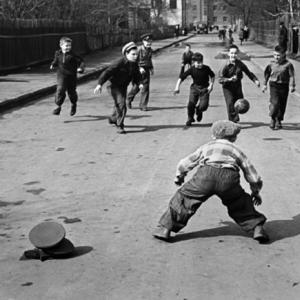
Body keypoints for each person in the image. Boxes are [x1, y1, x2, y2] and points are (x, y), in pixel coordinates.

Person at [152, 120, 269, 243]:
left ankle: (165, 229)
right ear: (234, 138)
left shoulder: (206, 146)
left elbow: (185, 163)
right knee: (239, 202)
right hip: (228, 180)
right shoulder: (236, 150)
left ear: (213, 136)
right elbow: (251, 172)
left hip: (205, 176)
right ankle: (257, 228)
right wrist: (255, 191)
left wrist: (179, 176)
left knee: (185, 198)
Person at [93, 42, 142, 134]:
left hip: (123, 86)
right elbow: (107, 72)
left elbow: (137, 76)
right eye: (133, 54)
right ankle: (120, 125)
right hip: (113, 86)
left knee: (119, 103)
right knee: (122, 104)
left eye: (137, 54)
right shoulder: (119, 63)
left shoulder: (135, 64)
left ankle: (113, 118)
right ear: (126, 54)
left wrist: (139, 83)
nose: (136, 56)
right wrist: (99, 84)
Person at [218, 44, 260, 123]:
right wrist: (229, 79)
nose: (233, 55)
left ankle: (235, 116)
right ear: (228, 54)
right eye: (232, 53)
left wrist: (255, 80)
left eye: (235, 53)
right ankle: (233, 121)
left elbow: (248, 72)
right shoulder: (225, 65)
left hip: (237, 86)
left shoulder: (240, 64)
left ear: (237, 54)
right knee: (230, 102)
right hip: (227, 87)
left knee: (239, 103)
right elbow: (220, 79)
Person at [174, 52, 215, 126]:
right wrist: (177, 87)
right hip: (195, 88)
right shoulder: (192, 69)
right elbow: (181, 77)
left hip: (205, 88)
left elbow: (212, 76)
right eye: (197, 63)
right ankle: (190, 118)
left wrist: (211, 85)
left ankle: (199, 111)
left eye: (201, 62)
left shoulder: (206, 68)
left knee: (204, 106)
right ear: (193, 62)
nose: (199, 64)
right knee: (191, 104)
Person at [262, 45, 296, 130]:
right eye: (275, 55)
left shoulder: (288, 64)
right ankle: (273, 118)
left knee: (282, 104)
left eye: (278, 55)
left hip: (284, 86)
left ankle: (278, 120)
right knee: (275, 103)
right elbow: (266, 74)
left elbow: (291, 75)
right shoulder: (271, 64)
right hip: (274, 85)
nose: (276, 57)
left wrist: (292, 85)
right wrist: (264, 84)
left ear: (283, 55)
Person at [51, 37, 85, 116]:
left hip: (71, 76)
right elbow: (56, 60)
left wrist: (80, 68)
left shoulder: (73, 55)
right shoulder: (58, 53)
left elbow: (81, 62)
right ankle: (58, 106)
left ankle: (73, 104)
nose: (68, 47)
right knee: (60, 90)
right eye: (66, 46)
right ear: (61, 46)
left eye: (69, 46)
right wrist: (53, 64)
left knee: (71, 93)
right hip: (61, 75)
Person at [126, 33, 154, 111]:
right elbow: (133, 61)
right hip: (137, 70)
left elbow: (149, 60)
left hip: (146, 70)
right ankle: (128, 99)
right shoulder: (138, 50)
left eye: (150, 41)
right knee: (137, 87)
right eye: (147, 41)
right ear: (143, 42)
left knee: (146, 88)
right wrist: (139, 68)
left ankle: (143, 105)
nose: (149, 43)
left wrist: (151, 68)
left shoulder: (150, 50)